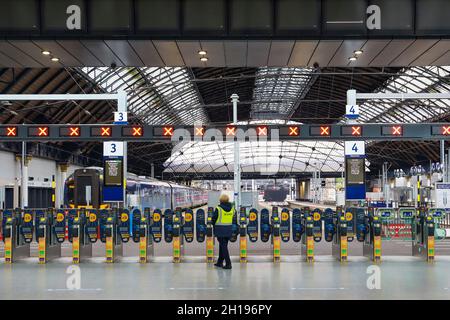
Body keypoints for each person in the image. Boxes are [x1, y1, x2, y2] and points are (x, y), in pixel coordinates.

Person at [212, 194, 234, 269]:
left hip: (220, 230)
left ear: (220, 200)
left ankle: (228, 263)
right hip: (228, 230)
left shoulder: (219, 208)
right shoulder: (232, 208)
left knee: (224, 247)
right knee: (222, 246)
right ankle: (220, 262)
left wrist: (212, 223)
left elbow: (214, 218)